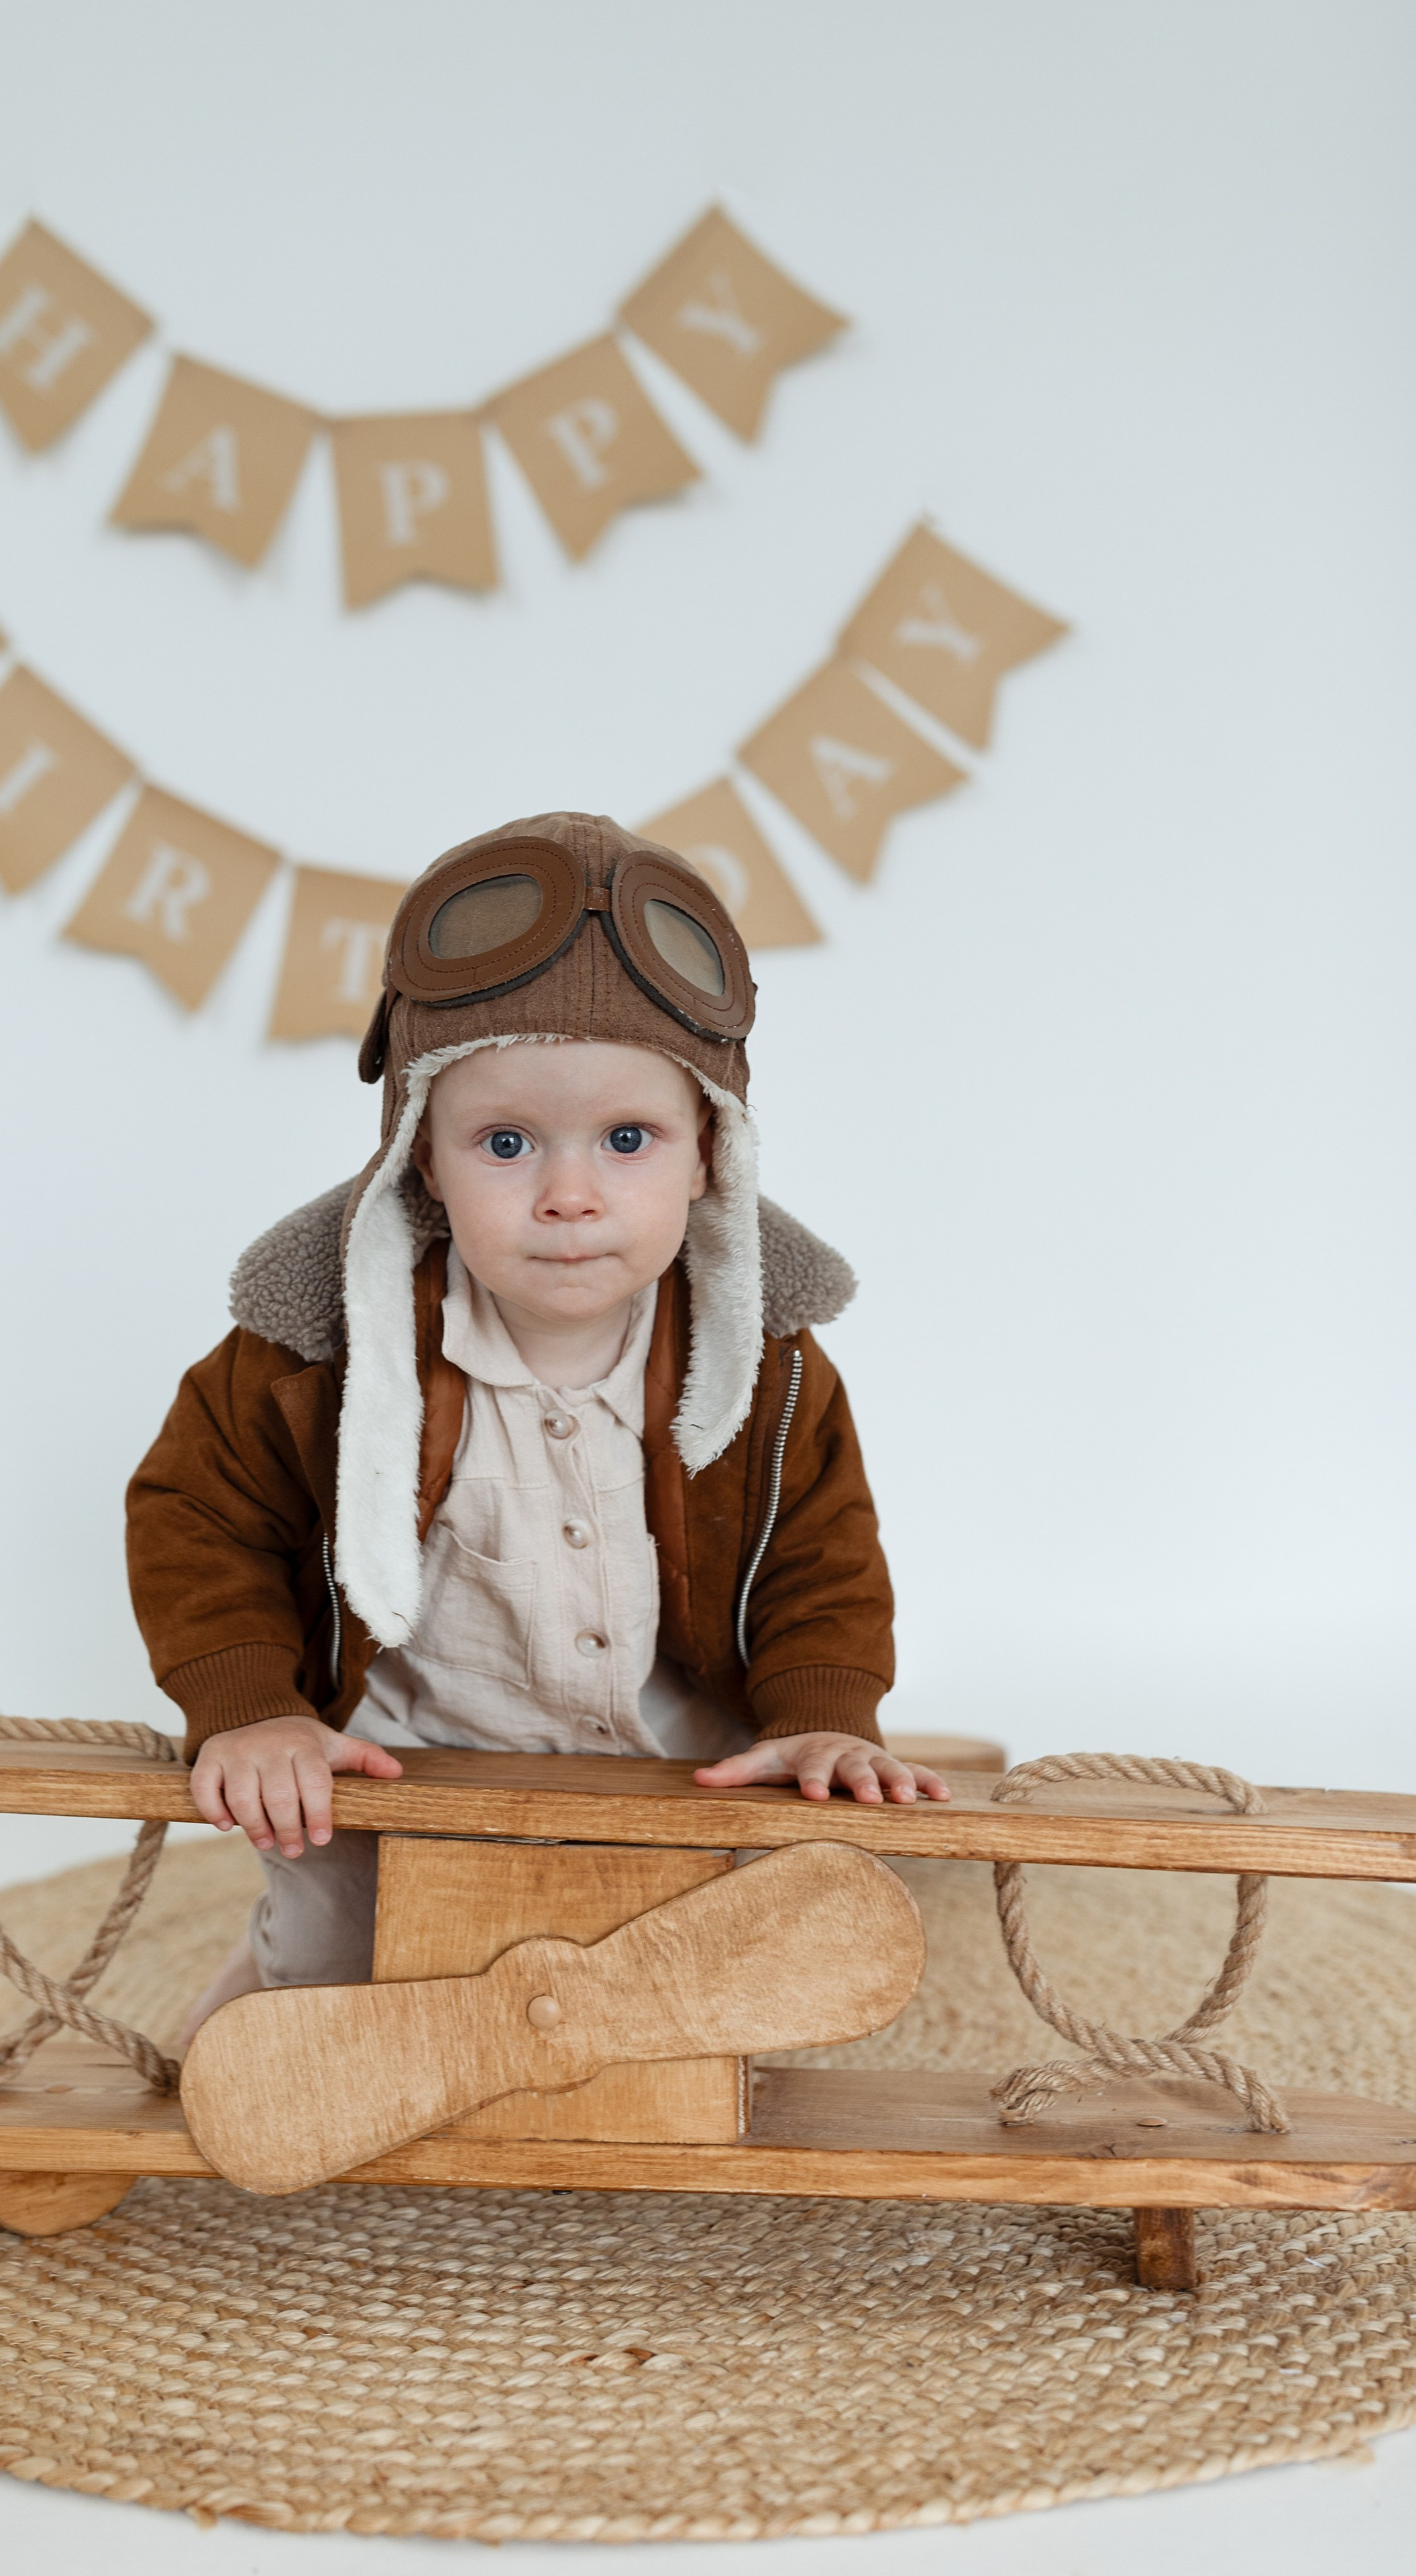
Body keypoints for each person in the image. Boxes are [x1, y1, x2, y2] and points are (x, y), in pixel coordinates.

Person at [125, 811, 947, 2044]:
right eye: (506, 1144)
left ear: (710, 1158)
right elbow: (200, 1515)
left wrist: (819, 1715)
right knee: (334, 1970)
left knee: (755, 1964)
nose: (570, 1195)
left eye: (628, 1140)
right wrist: (250, 1709)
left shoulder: (765, 1367)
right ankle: (268, 1996)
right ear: (424, 1162)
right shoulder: (319, 1351)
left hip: (675, 1756)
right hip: (403, 1756)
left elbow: (818, 1552)